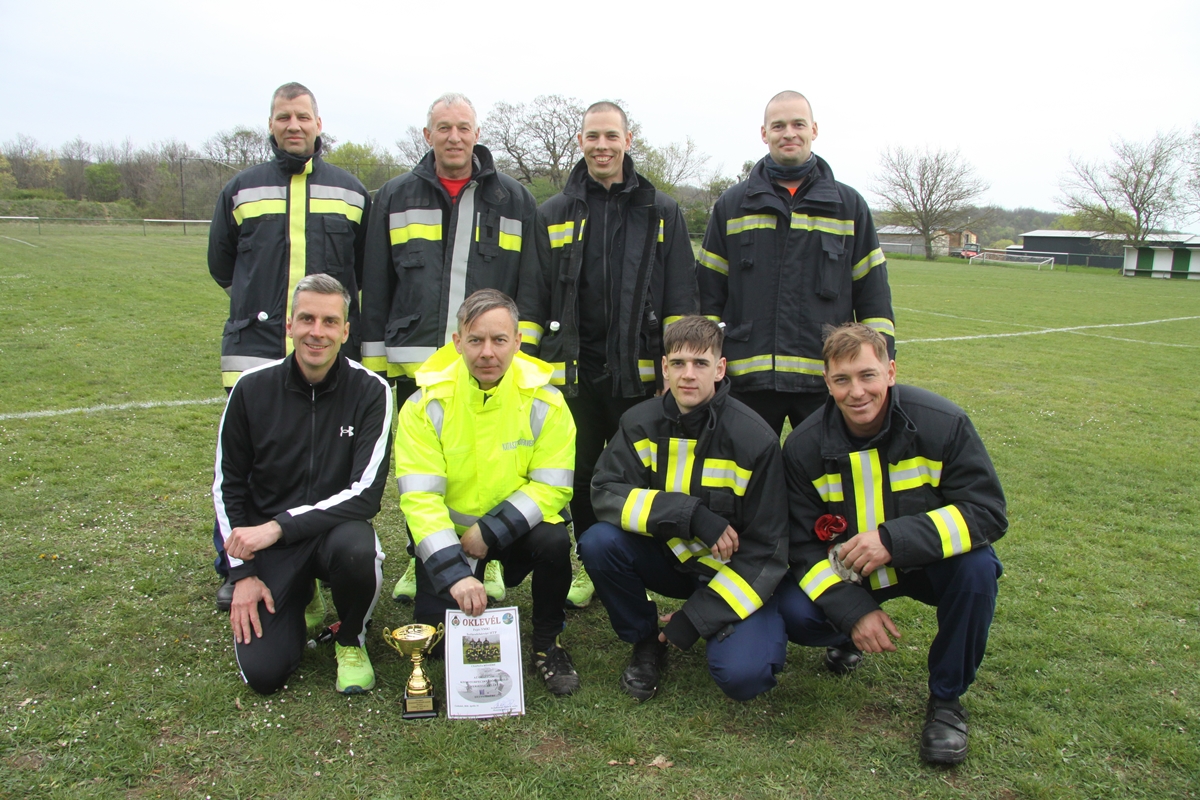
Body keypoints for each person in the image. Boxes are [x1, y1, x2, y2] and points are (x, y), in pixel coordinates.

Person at [778, 323, 1007, 764]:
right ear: (827, 383)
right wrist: (852, 610)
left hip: (926, 564)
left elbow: (987, 511)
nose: (856, 392)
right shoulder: (803, 447)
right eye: (841, 380)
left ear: (891, 372)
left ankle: (946, 702)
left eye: (867, 375)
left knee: (977, 571)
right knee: (796, 613)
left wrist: (893, 540)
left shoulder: (944, 423)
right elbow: (802, 546)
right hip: (853, 572)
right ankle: (846, 637)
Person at [360, 92, 541, 604]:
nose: (454, 137)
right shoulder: (394, 196)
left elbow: (529, 285)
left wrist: (520, 361)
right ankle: (424, 558)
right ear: (427, 135)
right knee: (424, 473)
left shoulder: (514, 199)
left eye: (463, 127)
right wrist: (375, 365)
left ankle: (491, 560)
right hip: (415, 365)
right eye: (443, 127)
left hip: (490, 367)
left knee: (493, 464)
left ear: (476, 133)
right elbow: (375, 282)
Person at [208, 82, 370, 609]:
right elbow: (222, 264)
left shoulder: (349, 191)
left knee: (321, 456)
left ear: (319, 124)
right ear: (271, 124)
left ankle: (315, 559)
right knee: (249, 462)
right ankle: (236, 565)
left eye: (303, 116)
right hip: (255, 346)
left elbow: (363, 270)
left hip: (326, 346)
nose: (293, 125)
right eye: (283, 117)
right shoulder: (240, 188)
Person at [531, 101, 699, 608]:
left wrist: (672, 365)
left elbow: (681, 296)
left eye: (611, 136)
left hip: (640, 373)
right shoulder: (553, 212)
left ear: (629, 140)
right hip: (574, 376)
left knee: (636, 476)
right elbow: (536, 293)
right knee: (578, 477)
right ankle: (589, 562)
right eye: (592, 136)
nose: (601, 145)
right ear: (580, 142)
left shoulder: (662, 210)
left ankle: (635, 558)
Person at [582, 316, 789, 702]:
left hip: (732, 574)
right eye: (678, 364)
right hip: (669, 561)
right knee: (599, 542)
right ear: (664, 367)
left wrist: (692, 620)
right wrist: (690, 515)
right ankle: (645, 641)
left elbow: (768, 553)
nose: (688, 375)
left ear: (720, 368)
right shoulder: (638, 422)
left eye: (701, 364)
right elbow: (605, 492)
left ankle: (728, 627)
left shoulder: (755, 438)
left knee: (744, 677)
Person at [394, 289, 580, 696]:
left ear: (517, 341)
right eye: (475, 340)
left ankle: (548, 643)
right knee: (440, 646)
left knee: (553, 540)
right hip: (450, 537)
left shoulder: (547, 400)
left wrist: (489, 532)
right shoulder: (424, 404)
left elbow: (553, 487)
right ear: (457, 342)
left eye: (499, 340)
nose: (487, 353)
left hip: (512, 534)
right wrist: (454, 573)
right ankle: (468, 587)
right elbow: (420, 500)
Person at [214, 274, 392, 696]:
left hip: (329, 534)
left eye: (330, 322)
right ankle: (301, 598)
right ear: (288, 325)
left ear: (346, 331)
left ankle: (349, 638)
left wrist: (280, 525)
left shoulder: (372, 391)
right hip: (269, 547)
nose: (317, 331)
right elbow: (228, 487)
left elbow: (366, 494)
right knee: (265, 675)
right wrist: (242, 574)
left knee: (357, 547)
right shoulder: (249, 389)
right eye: (307, 319)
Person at [698, 91, 894, 436]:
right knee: (746, 481)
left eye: (798, 124)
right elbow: (707, 296)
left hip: (826, 380)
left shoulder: (848, 207)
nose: (788, 133)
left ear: (814, 130)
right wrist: (706, 367)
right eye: (778, 125)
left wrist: (878, 365)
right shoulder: (732, 205)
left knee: (828, 480)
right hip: (747, 382)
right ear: (764, 133)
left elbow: (874, 299)